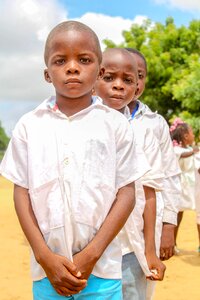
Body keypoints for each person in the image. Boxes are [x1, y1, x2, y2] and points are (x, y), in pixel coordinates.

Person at [0, 21, 148, 300]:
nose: (72, 67)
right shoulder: (29, 126)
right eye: (60, 60)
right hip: (48, 273)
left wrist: (91, 254)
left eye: (84, 59)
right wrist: (44, 256)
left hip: (102, 271)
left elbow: (126, 193)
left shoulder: (115, 125)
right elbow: (22, 193)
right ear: (47, 74)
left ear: (99, 71)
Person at [94, 47, 166, 300]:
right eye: (109, 77)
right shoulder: (75, 126)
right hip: (82, 247)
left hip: (129, 248)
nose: (118, 86)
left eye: (128, 80)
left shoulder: (143, 131)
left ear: (137, 87)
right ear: (94, 79)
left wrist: (149, 250)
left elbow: (149, 192)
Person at [125, 48, 181, 299]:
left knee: (139, 288)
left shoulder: (154, 123)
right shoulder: (97, 116)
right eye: (127, 75)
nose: (135, 82)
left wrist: (169, 225)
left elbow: (169, 174)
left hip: (145, 225)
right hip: (103, 232)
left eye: (140, 75)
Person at [170, 118, 200, 252]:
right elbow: (184, 155)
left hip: (188, 187)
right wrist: (194, 151)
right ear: (186, 136)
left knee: (181, 215)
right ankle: (172, 243)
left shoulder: (188, 149)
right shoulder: (176, 150)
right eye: (192, 133)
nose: (193, 136)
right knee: (176, 215)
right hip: (178, 187)